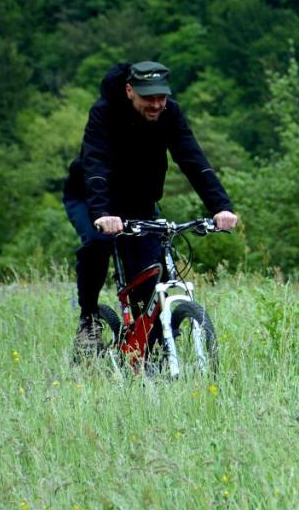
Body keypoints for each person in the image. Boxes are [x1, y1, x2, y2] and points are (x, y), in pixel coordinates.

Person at [63, 61, 238, 358]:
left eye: (161, 97)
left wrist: (221, 207)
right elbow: (96, 163)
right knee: (98, 242)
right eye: (148, 98)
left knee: (149, 274)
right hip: (92, 199)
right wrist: (103, 213)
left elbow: (192, 159)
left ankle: (149, 354)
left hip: (139, 205)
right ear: (130, 91)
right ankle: (89, 319)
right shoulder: (105, 112)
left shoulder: (170, 114)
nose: (156, 104)